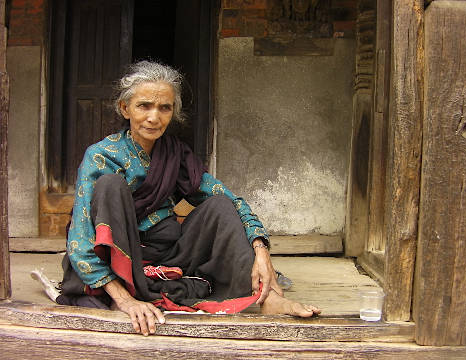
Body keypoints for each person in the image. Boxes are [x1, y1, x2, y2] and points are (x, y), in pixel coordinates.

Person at [55, 61, 320, 336]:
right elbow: (81, 239)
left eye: (164, 108)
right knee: (111, 185)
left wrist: (261, 250)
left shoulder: (175, 154)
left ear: (173, 113)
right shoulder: (101, 156)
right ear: (125, 108)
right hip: (123, 261)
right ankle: (126, 290)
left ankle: (270, 298)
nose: (154, 117)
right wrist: (125, 301)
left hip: (171, 256)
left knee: (219, 206)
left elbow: (231, 200)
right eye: (144, 106)